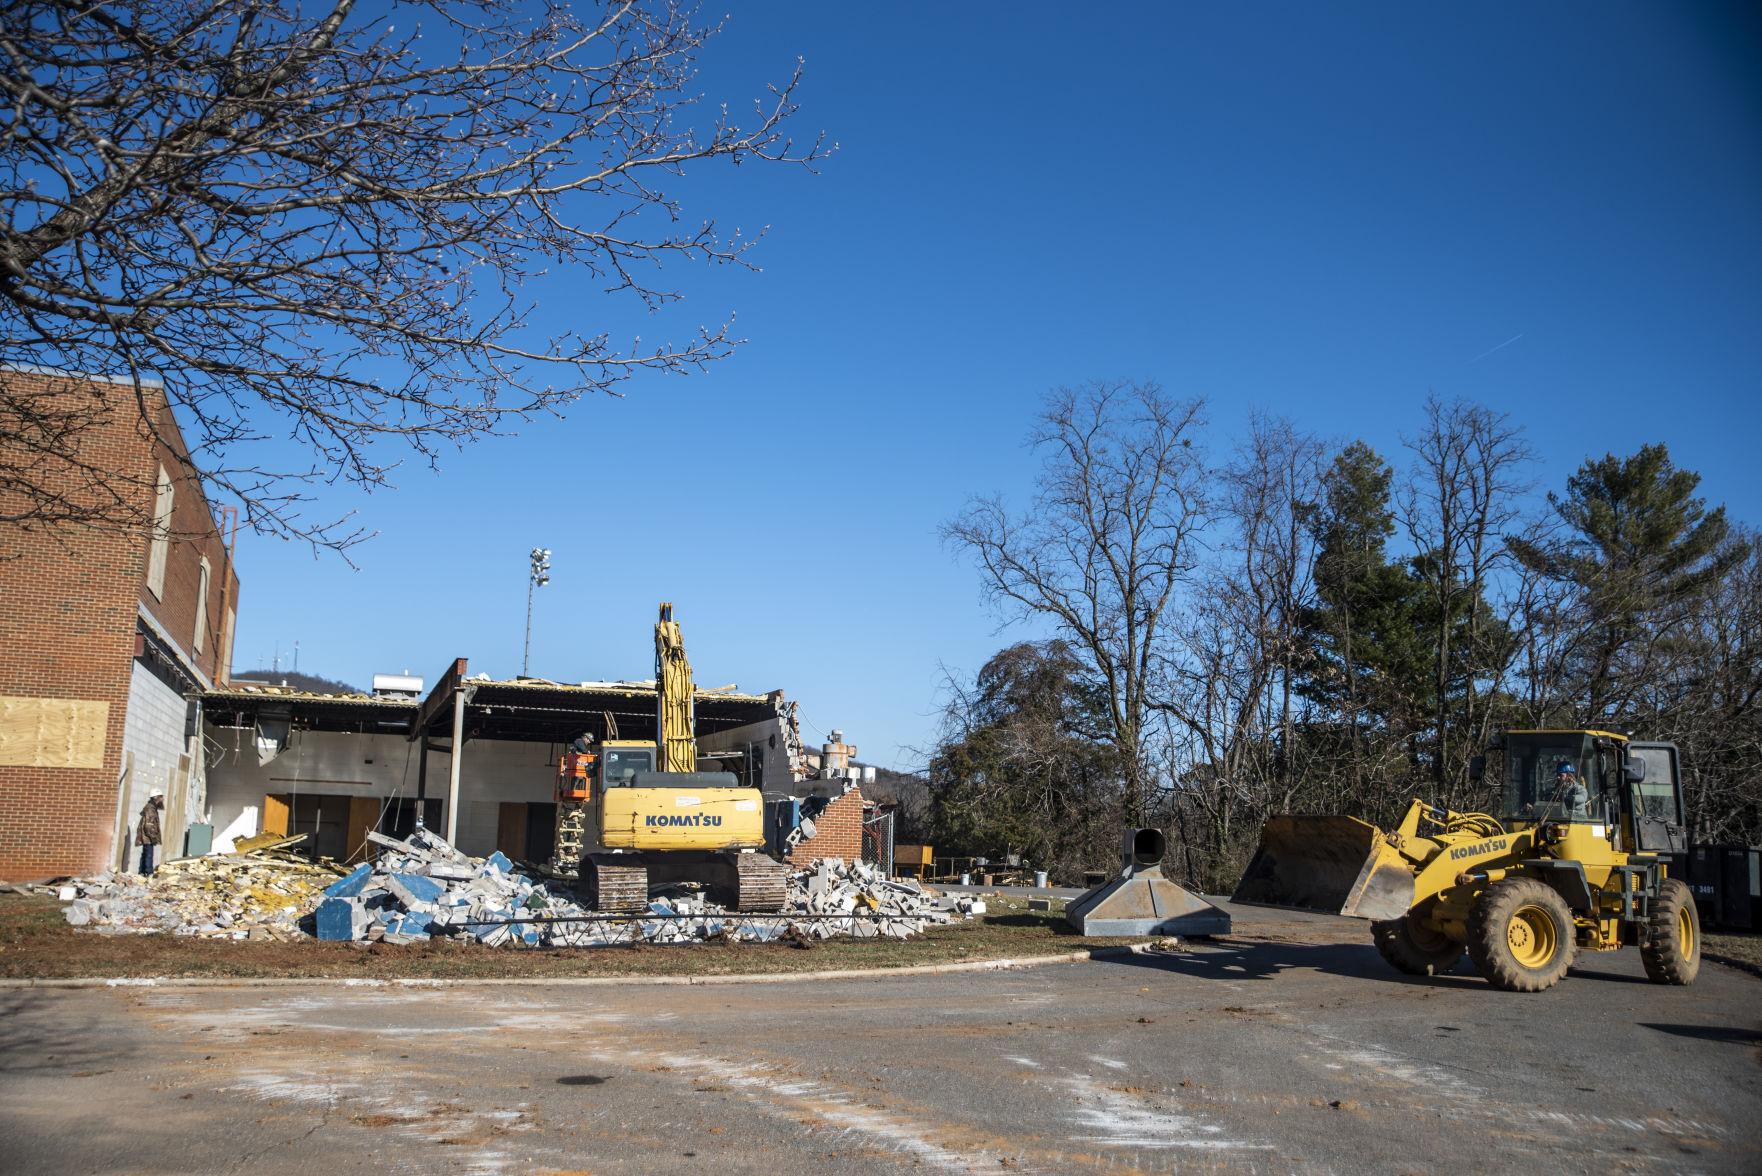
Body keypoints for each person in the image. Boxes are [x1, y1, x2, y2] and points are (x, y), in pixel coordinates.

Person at [136, 789, 164, 875]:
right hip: (148, 837)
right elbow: (149, 826)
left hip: (147, 836)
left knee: (146, 853)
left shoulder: (152, 808)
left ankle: (142, 872)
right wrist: (153, 837)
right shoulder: (150, 809)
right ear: (156, 798)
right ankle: (148, 872)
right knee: (149, 854)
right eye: (161, 797)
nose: (162, 799)